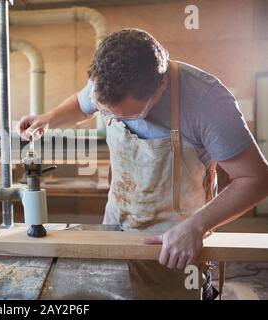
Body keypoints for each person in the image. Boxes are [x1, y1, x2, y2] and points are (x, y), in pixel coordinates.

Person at [16, 28, 268, 299]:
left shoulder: (207, 101)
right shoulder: (106, 80)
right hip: (116, 228)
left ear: (160, 87)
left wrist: (196, 226)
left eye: (126, 116)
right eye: (104, 111)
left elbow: (257, 179)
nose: (112, 118)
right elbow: (81, 106)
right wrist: (49, 118)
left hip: (174, 244)